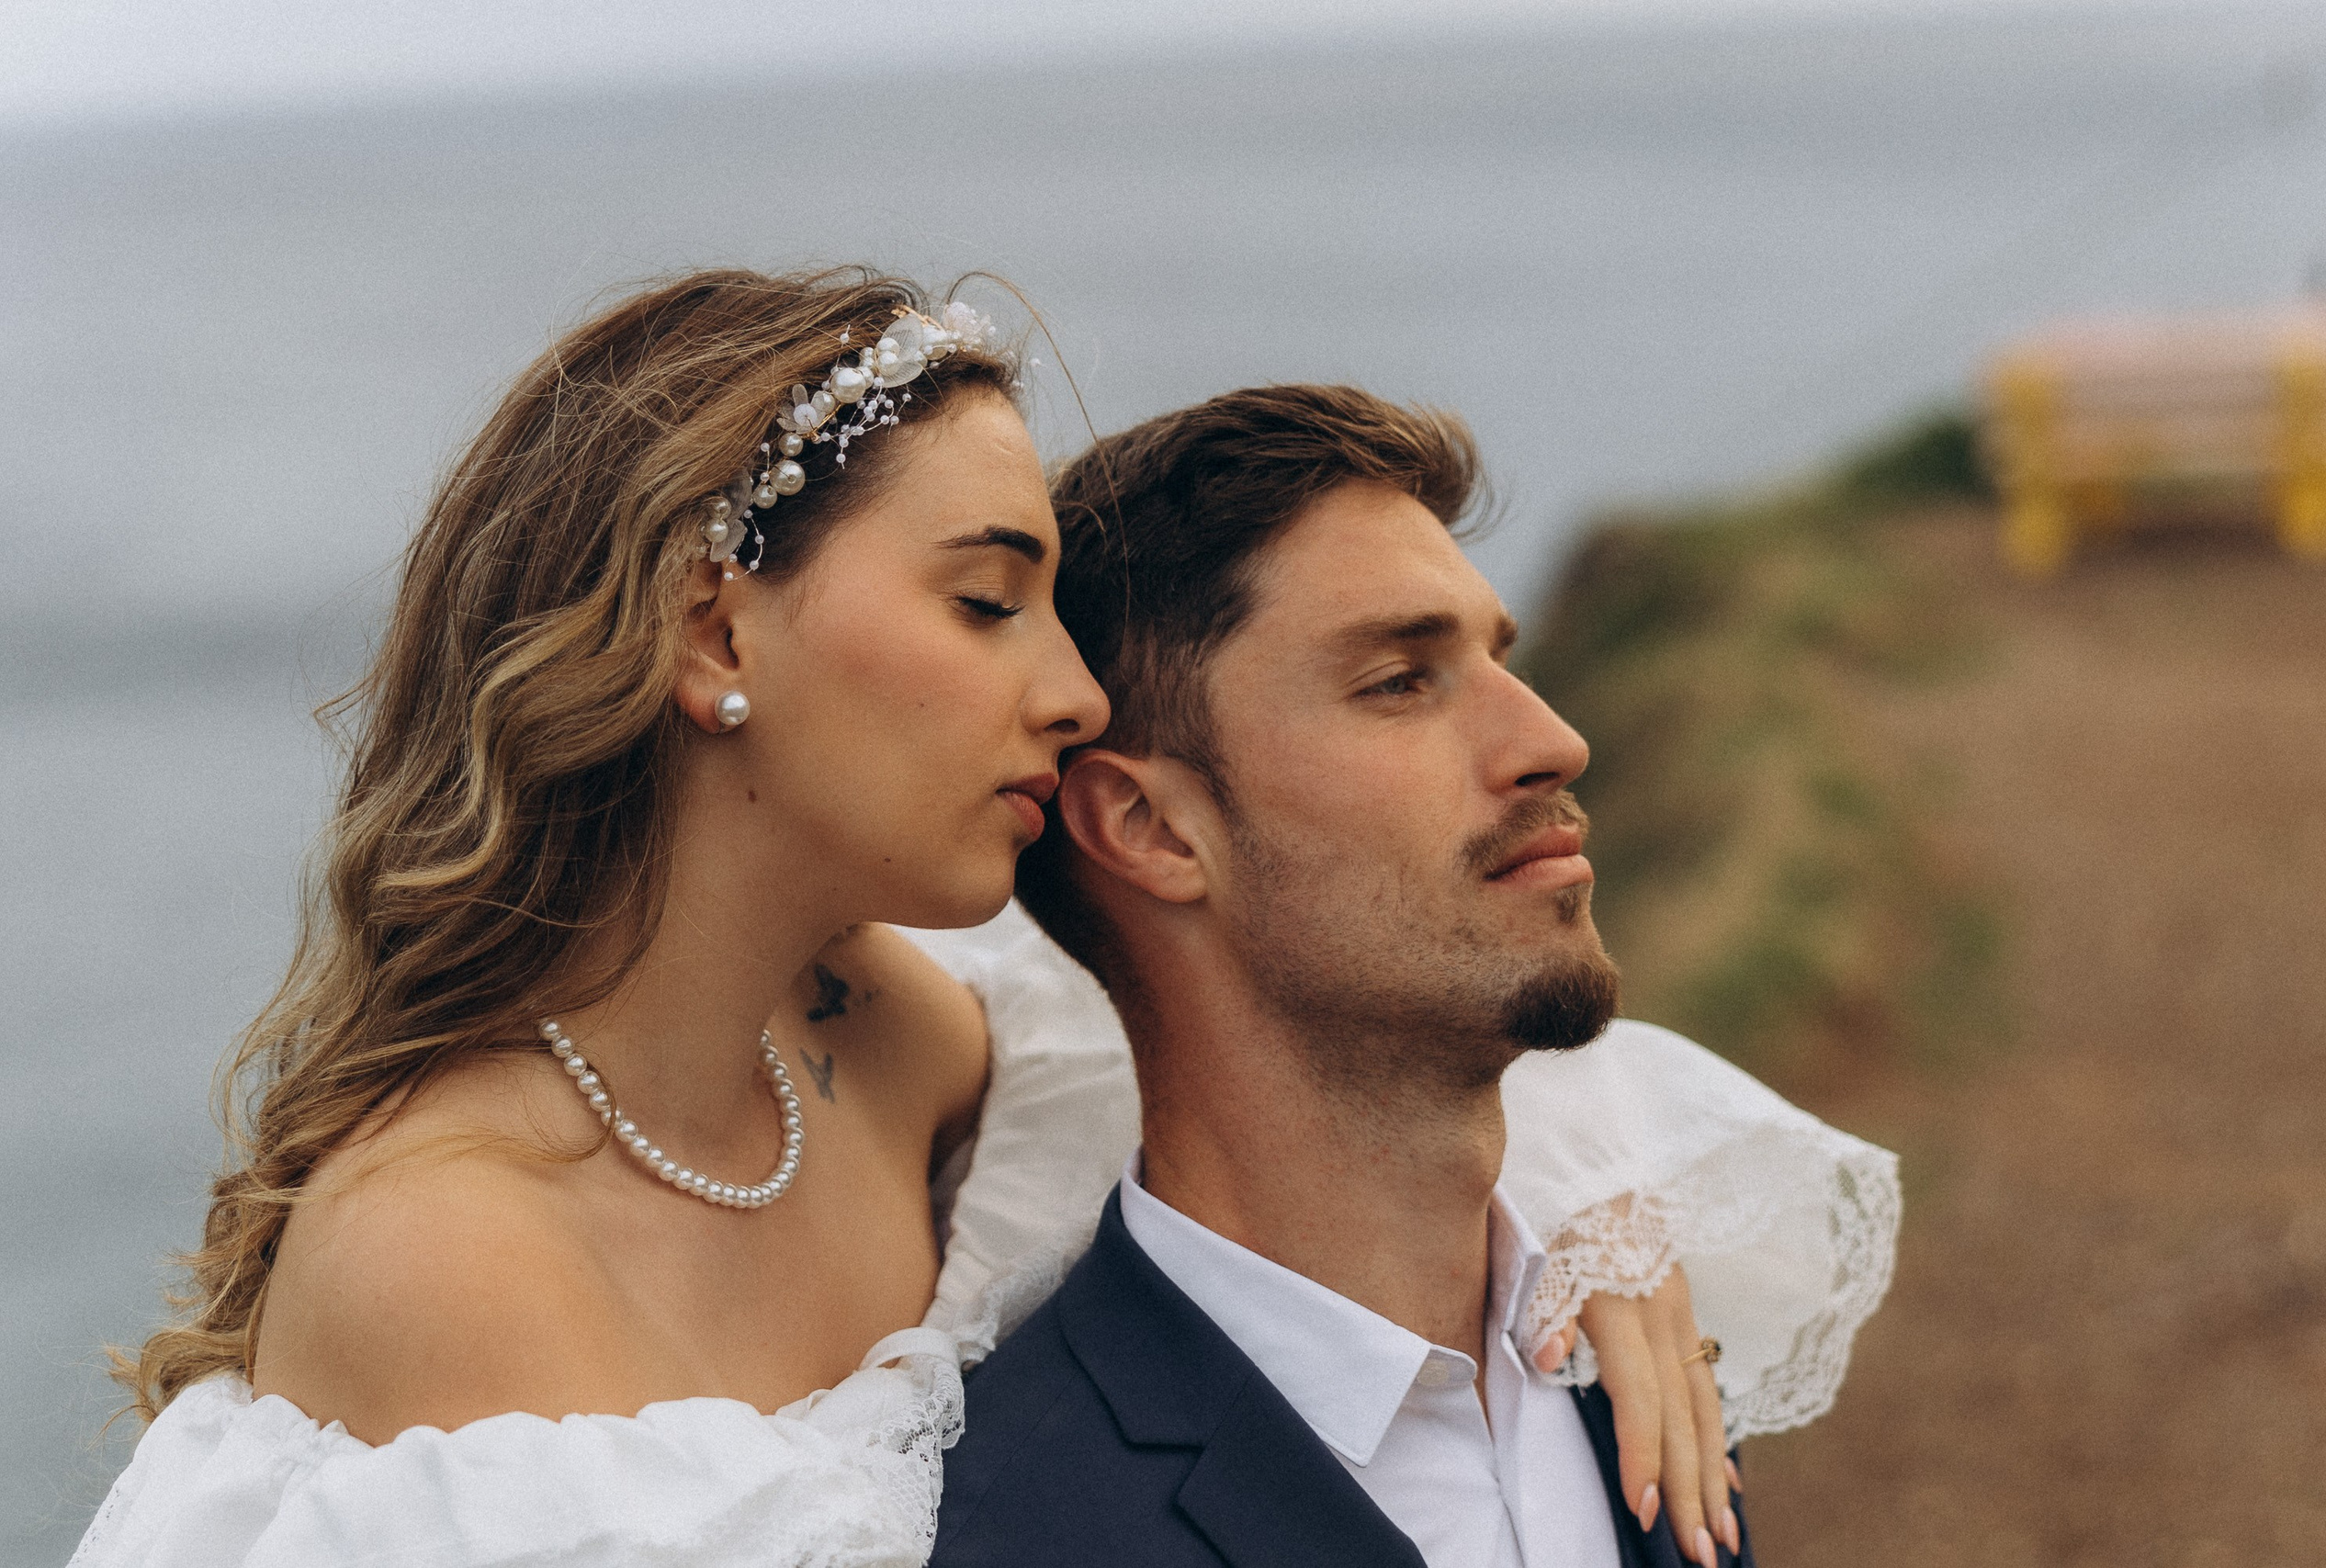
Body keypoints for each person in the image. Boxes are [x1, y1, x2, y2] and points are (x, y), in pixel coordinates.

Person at [71, 273, 1892, 1568]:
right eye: (986, 602)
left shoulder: (918, 1034)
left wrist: (1585, 1226)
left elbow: (1319, 1046)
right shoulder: (449, 1253)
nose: (1073, 692)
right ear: (715, 635)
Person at [932, 386, 1900, 1568]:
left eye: (1499, 659)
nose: (1551, 741)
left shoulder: (1637, 1367)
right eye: (1399, 681)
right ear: (1152, 829)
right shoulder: (1022, 1527)